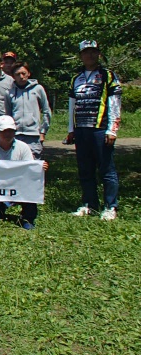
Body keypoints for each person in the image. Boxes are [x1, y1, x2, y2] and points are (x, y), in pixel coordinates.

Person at [66, 40, 122, 220]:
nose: (89, 55)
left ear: (98, 54)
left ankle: (110, 206)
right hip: (81, 129)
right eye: (86, 52)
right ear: (81, 56)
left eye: (93, 52)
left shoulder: (108, 76)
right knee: (85, 169)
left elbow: (114, 104)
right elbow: (72, 105)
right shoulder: (76, 78)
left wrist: (112, 129)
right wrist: (70, 129)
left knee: (106, 169)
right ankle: (90, 204)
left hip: (100, 129)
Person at [0, 115, 49, 229]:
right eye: (4, 131)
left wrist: (39, 168)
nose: (7, 134)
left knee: (30, 190)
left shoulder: (23, 147)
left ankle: (28, 219)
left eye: (10, 131)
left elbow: (29, 169)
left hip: (18, 185)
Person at [3, 62, 52, 159]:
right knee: (15, 164)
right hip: (15, 135)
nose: (21, 77)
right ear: (13, 76)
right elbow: (7, 115)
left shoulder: (38, 89)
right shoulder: (9, 92)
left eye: (23, 73)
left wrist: (43, 132)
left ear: (28, 73)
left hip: (33, 135)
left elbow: (46, 111)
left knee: (33, 164)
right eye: (17, 74)